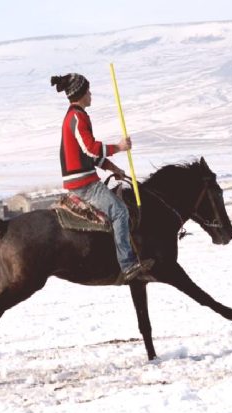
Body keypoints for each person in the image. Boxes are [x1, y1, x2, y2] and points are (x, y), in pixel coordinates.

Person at [51, 73, 153, 283]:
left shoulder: (75, 116)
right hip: (84, 184)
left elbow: (88, 156)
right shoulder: (78, 117)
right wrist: (119, 147)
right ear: (80, 94)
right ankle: (127, 264)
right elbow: (91, 149)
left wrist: (112, 167)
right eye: (88, 91)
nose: (90, 94)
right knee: (120, 212)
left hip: (82, 178)